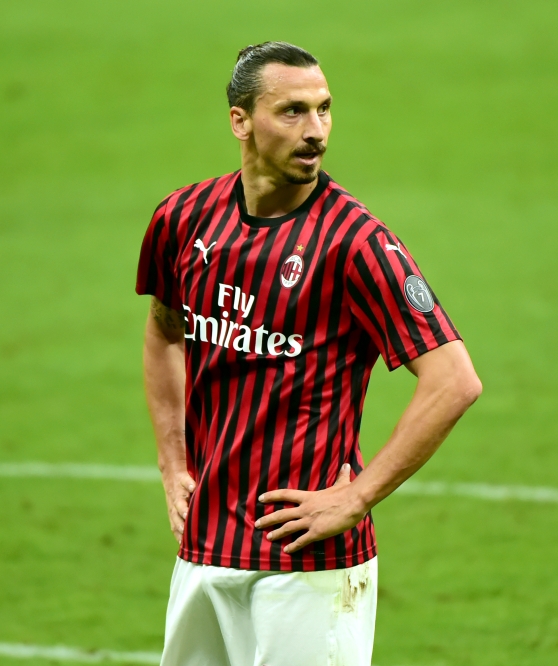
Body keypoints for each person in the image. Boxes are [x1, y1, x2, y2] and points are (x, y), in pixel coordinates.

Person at [137, 41, 482, 666]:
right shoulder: (183, 218)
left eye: (324, 110)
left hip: (307, 568)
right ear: (241, 120)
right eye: (293, 111)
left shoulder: (356, 243)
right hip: (204, 547)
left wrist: (357, 497)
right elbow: (164, 331)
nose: (316, 131)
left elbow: (454, 380)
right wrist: (172, 463)